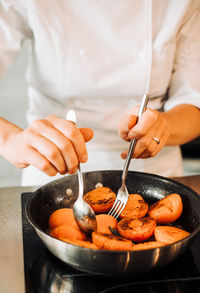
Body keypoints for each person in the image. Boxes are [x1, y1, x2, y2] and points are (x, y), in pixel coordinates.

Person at [0, 0, 200, 186]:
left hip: (153, 163)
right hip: (51, 160)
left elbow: (194, 102)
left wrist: (163, 127)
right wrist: (11, 140)